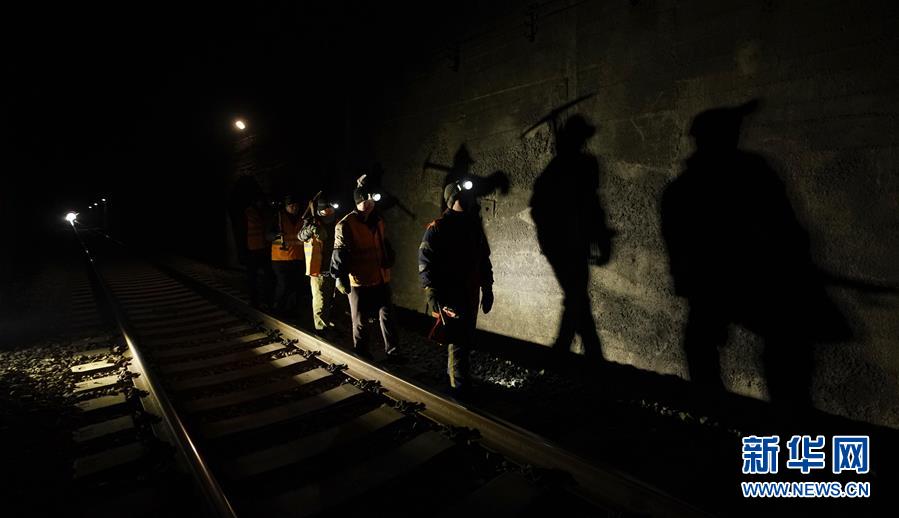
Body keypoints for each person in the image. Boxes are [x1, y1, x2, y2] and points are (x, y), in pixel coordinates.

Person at [419, 181, 494, 396]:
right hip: (450, 293)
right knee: (458, 340)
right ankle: (459, 388)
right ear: (452, 201)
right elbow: (425, 261)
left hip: (470, 293)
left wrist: (487, 288)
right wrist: (431, 291)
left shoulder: (473, 227)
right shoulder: (437, 228)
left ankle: (458, 380)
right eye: (461, 198)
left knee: (465, 339)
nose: (467, 202)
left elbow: (484, 260)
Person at [330, 183, 399, 359]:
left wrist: (389, 255)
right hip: (359, 280)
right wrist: (339, 277)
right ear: (356, 203)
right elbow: (339, 253)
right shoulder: (345, 224)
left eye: (370, 201)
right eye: (363, 202)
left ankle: (393, 351)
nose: (367, 205)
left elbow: (383, 243)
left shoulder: (378, 220)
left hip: (380, 277)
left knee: (388, 315)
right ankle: (361, 351)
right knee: (360, 319)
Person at [299, 197, 337, 335]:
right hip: (318, 268)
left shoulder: (338, 221)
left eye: (331, 208)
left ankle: (330, 323)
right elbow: (301, 236)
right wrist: (309, 229)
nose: (329, 211)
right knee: (320, 300)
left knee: (334, 298)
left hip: (335, 267)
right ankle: (321, 329)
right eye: (326, 209)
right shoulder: (312, 221)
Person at [268, 194, 306, 317]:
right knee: (284, 285)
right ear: (286, 206)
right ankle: (277, 309)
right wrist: (275, 235)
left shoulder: (302, 218)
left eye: (296, 205)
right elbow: (267, 235)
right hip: (280, 259)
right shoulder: (278, 218)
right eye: (291, 205)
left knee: (296, 286)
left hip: (297, 258)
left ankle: (292, 311)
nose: (294, 208)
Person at [243, 191, 274, 308]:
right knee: (253, 277)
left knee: (266, 276)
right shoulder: (248, 213)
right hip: (253, 250)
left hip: (264, 249)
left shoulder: (265, 212)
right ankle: (255, 300)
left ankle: (266, 300)